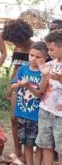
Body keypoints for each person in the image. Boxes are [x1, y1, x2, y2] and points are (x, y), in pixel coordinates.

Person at [11, 42, 48, 165]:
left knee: (38, 143)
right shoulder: (23, 69)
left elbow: (39, 94)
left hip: (37, 115)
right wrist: (18, 84)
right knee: (26, 142)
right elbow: (13, 85)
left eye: (38, 57)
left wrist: (28, 85)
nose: (33, 59)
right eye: (31, 55)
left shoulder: (44, 74)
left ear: (45, 58)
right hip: (22, 112)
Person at [2, 18, 34, 158]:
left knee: (30, 121)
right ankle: (17, 150)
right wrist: (10, 85)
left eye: (16, 40)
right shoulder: (17, 47)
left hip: (32, 87)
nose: (15, 44)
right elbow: (16, 66)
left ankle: (31, 150)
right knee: (14, 118)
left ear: (23, 36)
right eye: (13, 41)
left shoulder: (36, 47)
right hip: (16, 85)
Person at [36, 30, 62, 165]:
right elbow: (41, 90)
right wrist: (44, 75)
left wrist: (60, 78)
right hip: (45, 109)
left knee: (61, 148)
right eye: (48, 49)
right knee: (46, 145)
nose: (49, 52)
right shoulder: (49, 64)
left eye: (51, 49)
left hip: (60, 114)